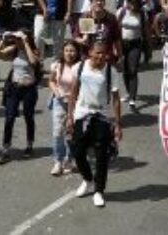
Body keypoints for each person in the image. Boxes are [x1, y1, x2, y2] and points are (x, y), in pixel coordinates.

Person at [67, 39, 122, 208]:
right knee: (77, 151)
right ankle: (88, 179)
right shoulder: (80, 68)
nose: (101, 56)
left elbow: (116, 99)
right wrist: (70, 116)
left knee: (101, 157)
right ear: (90, 53)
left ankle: (99, 190)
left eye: (104, 53)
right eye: (98, 53)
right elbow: (73, 92)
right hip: (82, 114)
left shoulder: (111, 72)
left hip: (102, 116)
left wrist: (118, 124)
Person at [0, 30, 41, 165]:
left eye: (19, 39)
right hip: (14, 88)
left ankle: (29, 145)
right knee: (9, 117)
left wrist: (25, 43)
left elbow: (33, 62)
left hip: (29, 89)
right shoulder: (14, 49)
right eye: (16, 39)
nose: (16, 41)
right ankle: (5, 149)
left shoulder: (33, 51)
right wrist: (3, 40)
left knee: (28, 116)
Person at [49, 40, 80, 177]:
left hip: (76, 103)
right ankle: (58, 161)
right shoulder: (57, 65)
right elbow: (51, 81)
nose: (69, 53)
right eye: (67, 50)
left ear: (77, 52)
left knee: (72, 132)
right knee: (57, 132)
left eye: (72, 50)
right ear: (63, 51)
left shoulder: (81, 67)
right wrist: (57, 92)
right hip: (59, 101)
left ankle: (69, 159)